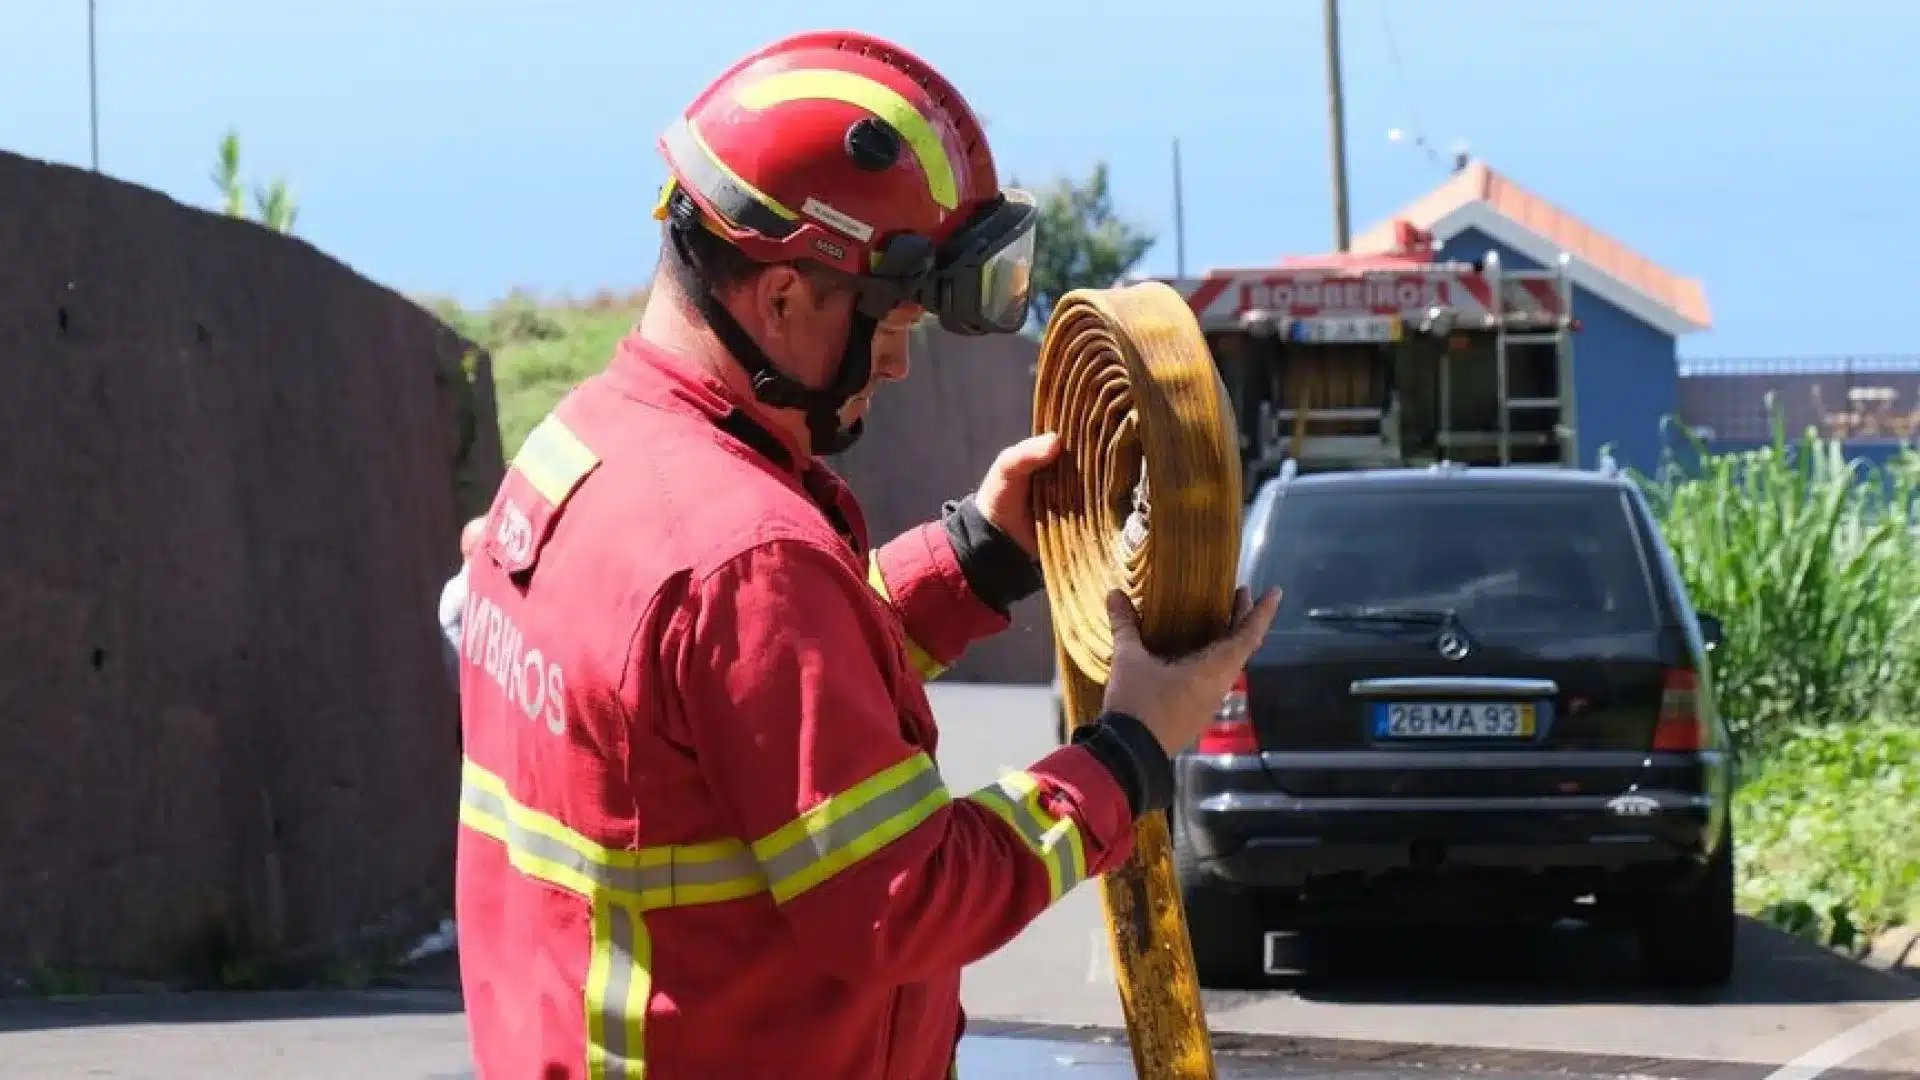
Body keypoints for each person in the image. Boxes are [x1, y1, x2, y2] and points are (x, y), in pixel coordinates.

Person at [451, 29, 1280, 1080]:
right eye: (889, 318)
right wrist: (1126, 751)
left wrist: (977, 556)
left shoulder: (581, 454)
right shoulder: (743, 559)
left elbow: (737, 708)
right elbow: (906, 898)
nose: (895, 361)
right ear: (784, 295)